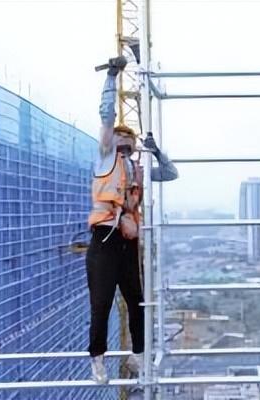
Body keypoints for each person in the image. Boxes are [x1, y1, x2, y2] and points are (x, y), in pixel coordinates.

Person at [87, 56, 178, 384]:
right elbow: (107, 115)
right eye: (122, 143)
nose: (126, 148)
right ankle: (96, 358)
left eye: (130, 145)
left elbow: (170, 173)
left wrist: (156, 153)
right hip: (104, 240)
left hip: (127, 245)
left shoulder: (138, 171)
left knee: (137, 304)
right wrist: (111, 78)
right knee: (101, 305)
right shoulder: (106, 159)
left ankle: (138, 355)